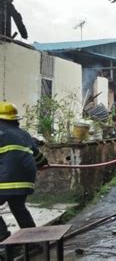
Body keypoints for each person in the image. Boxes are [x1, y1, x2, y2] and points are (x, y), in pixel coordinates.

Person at [0, 102, 49, 242]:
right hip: (26, 182)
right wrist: (43, 164)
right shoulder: (24, 134)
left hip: (5, 181)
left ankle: (2, 237)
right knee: (18, 207)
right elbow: (38, 156)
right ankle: (32, 241)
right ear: (15, 119)